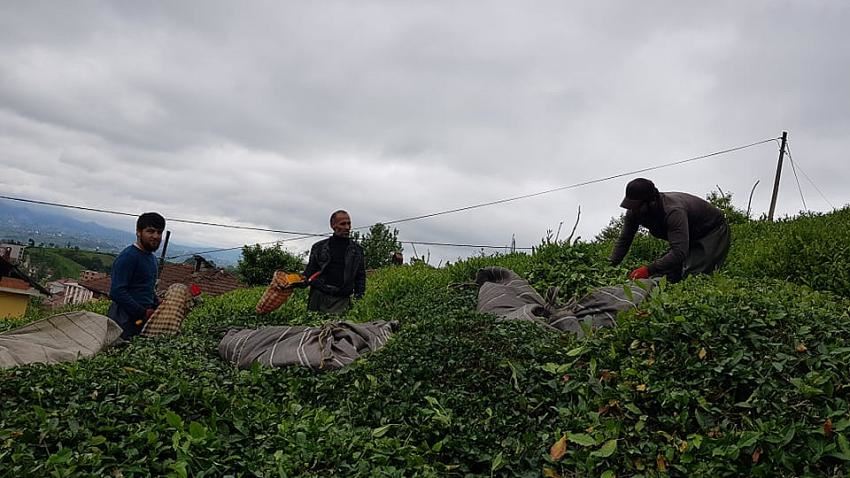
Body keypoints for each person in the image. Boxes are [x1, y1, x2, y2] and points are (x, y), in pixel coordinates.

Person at [609, 178, 730, 283]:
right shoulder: (633, 212)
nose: (633, 211)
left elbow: (679, 253)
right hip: (689, 233)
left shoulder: (673, 212)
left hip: (712, 231)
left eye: (637, 206)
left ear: (651, 201)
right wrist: (609, 266)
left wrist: (648, 269)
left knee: (694, 276)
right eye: (631, 206)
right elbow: (625, 240)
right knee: (666, 274)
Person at [108, 212, 164, 339]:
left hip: (141, 321)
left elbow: (145, 288)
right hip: (123, 322)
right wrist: (142, 312)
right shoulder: (128, 256)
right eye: (150, 231)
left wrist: (156, 301)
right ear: (138, 232)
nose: (156, 236)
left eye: (159, 232)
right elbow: (117, 291)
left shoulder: (152, 259)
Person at [303, 210, 367, 314]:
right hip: (318, 299)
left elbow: (360, 277)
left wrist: (359, 299)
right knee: (314, 329)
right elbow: (310, 272)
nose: (347, 227)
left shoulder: (356, 251)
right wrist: (294, 282)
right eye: (342, 224)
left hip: (342, 300)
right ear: (333, 225)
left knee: (340, 329)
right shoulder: (319, 248)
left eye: (349, 223)